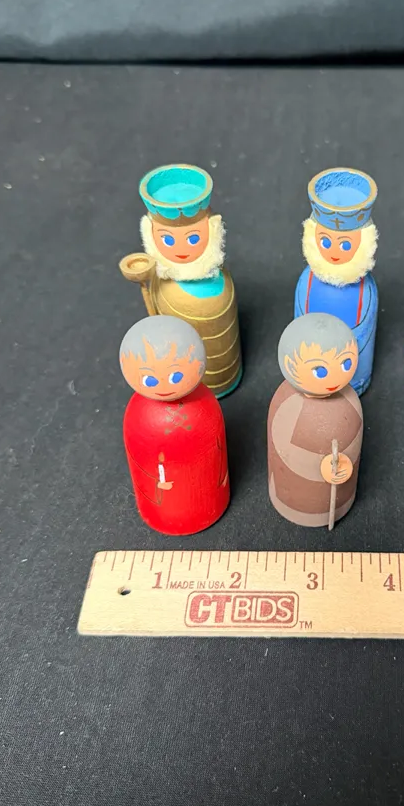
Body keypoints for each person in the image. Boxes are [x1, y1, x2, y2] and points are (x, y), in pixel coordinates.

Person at [119, 163, 242, 398]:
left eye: (193, 238)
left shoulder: (222, 281)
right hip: (185, 381)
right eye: (168, 239)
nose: (181, 250)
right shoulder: (160, 284)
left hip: (226, 369)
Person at [120, 315, 229, 534]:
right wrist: (158, 484)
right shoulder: (139, 416)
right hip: (164, 504)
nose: (163, 386)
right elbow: (143, 465)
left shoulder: (205, 406)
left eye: (175, 376)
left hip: (205, 494)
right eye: (150, 380)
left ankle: (199, 508)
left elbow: (217, 454)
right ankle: (173, 514)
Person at [268, 313, 363, 527]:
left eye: (345, 363)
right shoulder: (288, 404)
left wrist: (342, 466)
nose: (334, 377)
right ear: (289, 364)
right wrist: (325, 467)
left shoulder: (350, 401)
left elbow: (352, 446)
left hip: (338, 500)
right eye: (320, 370)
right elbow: (285, 452)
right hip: (292, 497)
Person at [294, 167, 379, 395]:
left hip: (351, 368)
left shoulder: (366, 290)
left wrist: (343, 353)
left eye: (345, 244)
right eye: (325, 241)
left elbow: (364, 330)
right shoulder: (306, 283)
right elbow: (300, 325)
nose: (334, 252)